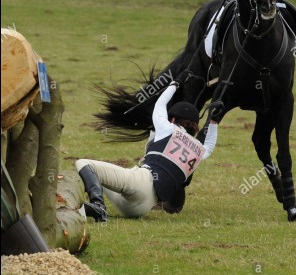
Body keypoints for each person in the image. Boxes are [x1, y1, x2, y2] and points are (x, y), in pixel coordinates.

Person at [76, 72, 218, 221]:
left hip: (139, 185)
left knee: (83, 164)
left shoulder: (168, 128)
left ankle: (98, 207)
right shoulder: (198, 149)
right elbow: (209, 146)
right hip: (139, 208)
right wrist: (214, 122)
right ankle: (83, 210)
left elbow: (160, 104)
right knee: (100, 177)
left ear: (174, 118)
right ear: (194, 127)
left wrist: (174, 84)